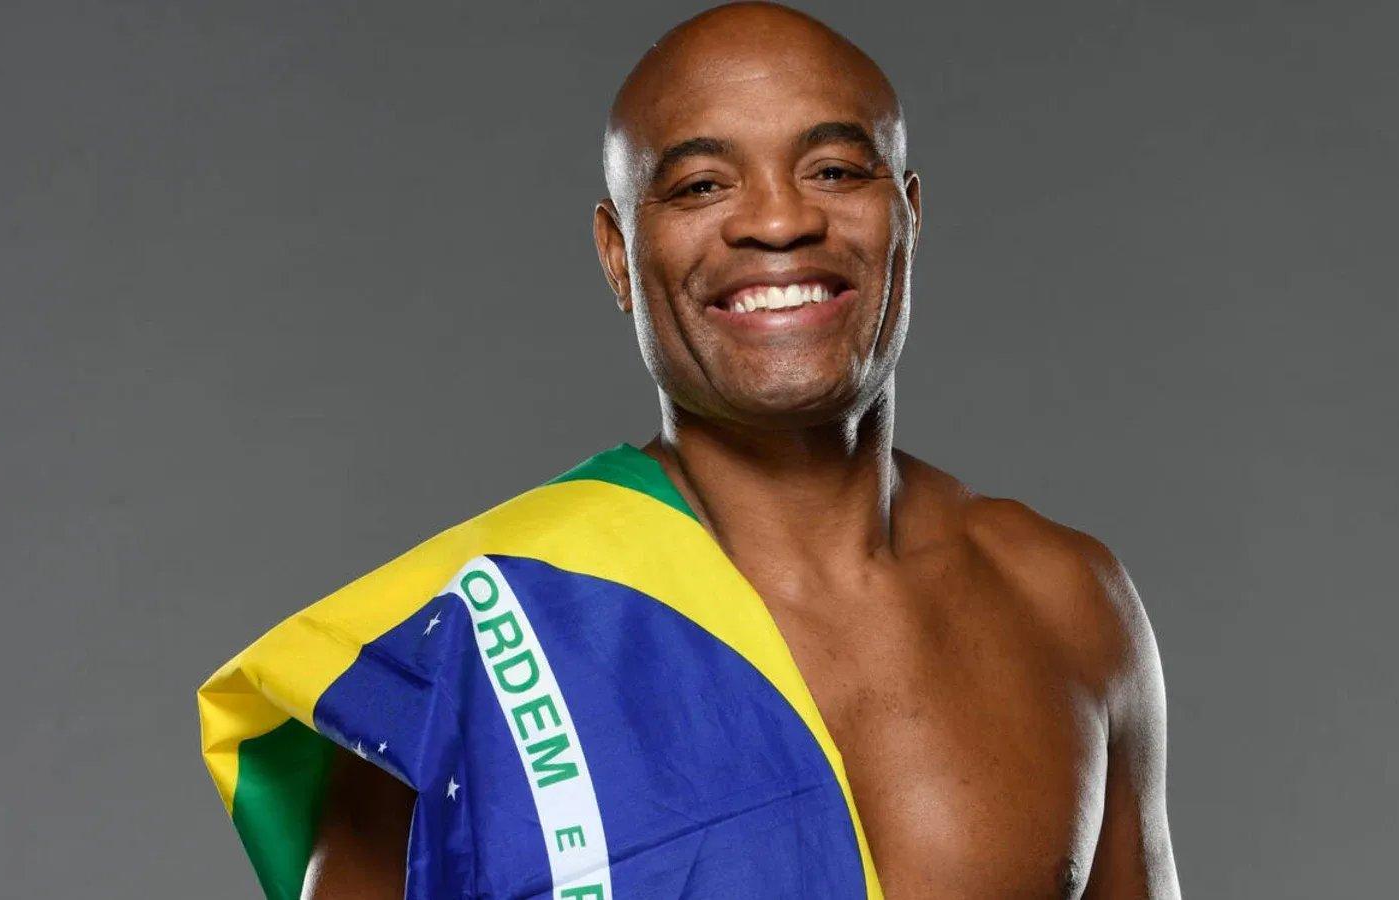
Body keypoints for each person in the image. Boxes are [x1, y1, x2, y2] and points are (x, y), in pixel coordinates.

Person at [199, 3, 1179, 898]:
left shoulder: (1064, 604)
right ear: (620, 255)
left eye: (834, 169)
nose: (779, 220)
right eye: (702, 184)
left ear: (908, 217)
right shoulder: (467, 655)